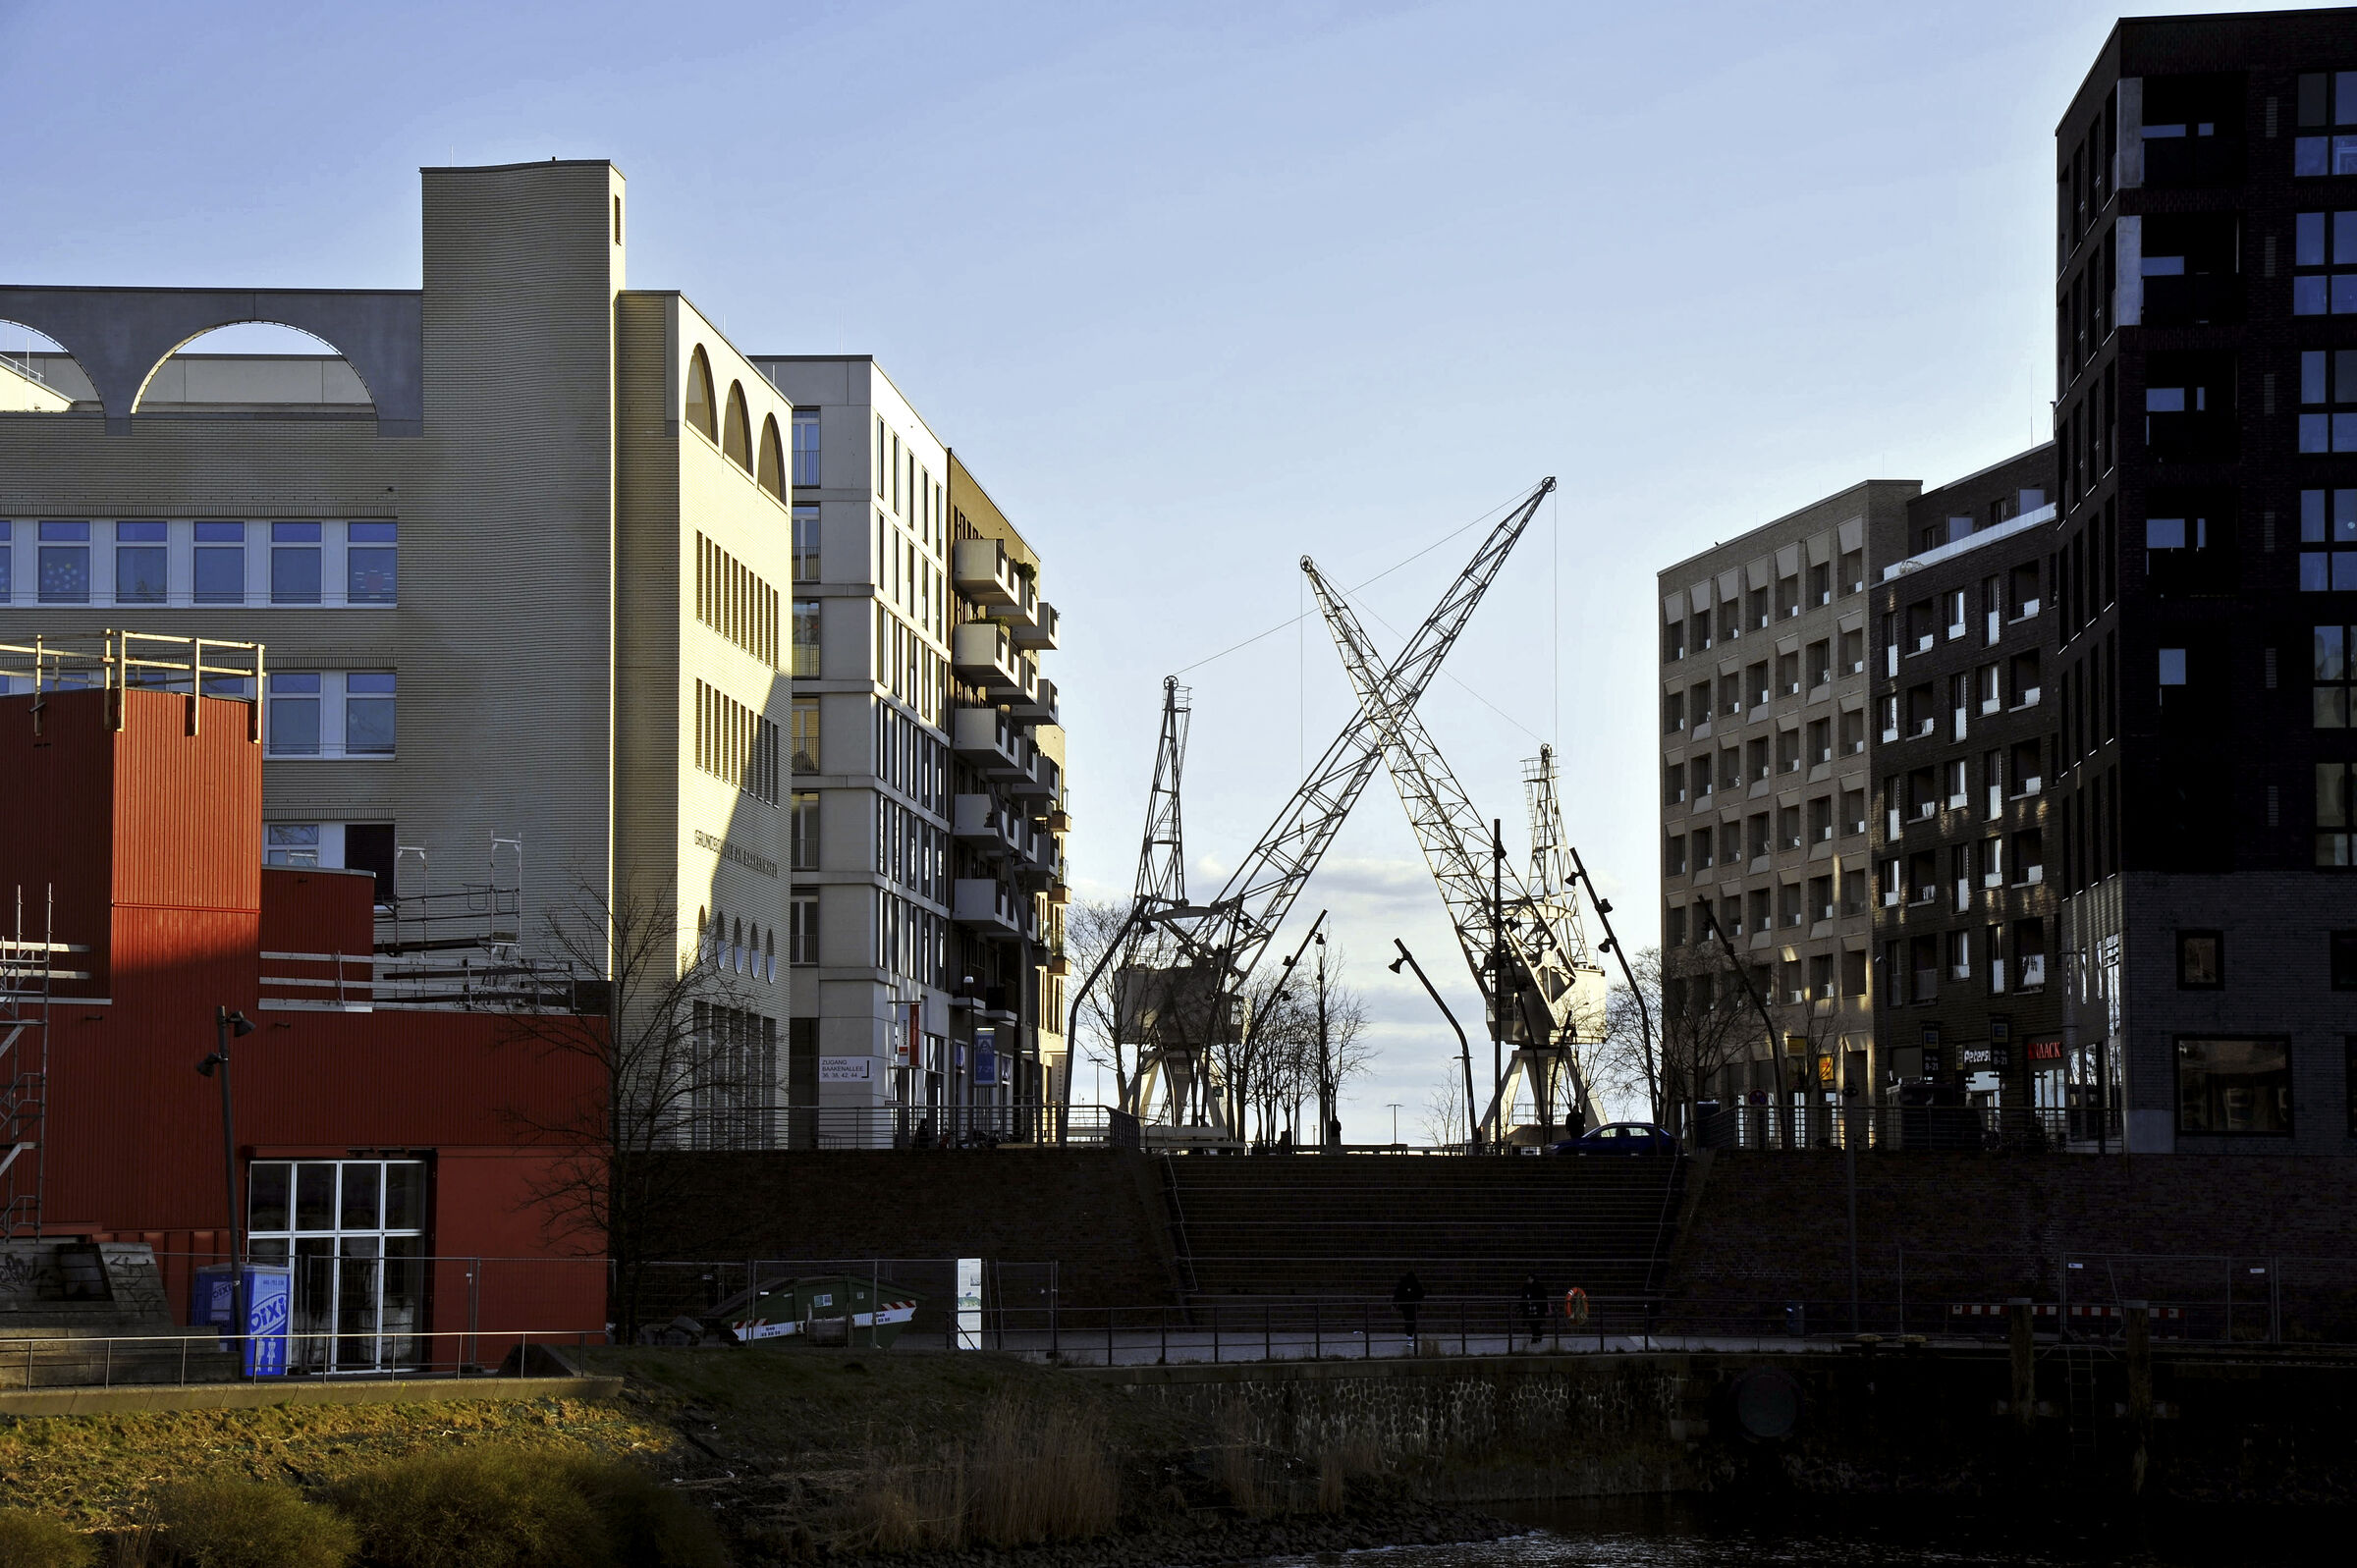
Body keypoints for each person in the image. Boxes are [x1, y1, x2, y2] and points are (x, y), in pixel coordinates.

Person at [1392, 1270, 1425, 1343]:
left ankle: (1409, 1335)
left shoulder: (1403, 1283)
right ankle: (1411, 1335)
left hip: (1405, 1306)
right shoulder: (1416, 1283)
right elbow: (1422, 1294)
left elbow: (1397, 1294)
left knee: (1407, 1320)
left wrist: (1394, 1304)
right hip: (1413, 1306)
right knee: (1412, 1321)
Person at [1520, 1274, 1549, 1347]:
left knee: (1536, 1324)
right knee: (1532, 1324)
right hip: (1530, 1309)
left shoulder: (1538, 1286)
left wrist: (1545, 1309)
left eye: (1529, 1278)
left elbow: (1544, 1298)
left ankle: (1535, 1338)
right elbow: (1523, 1297)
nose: (1528, 1280)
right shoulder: (1526, 1287)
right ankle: (1538, 1335)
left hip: (1537, 1309)